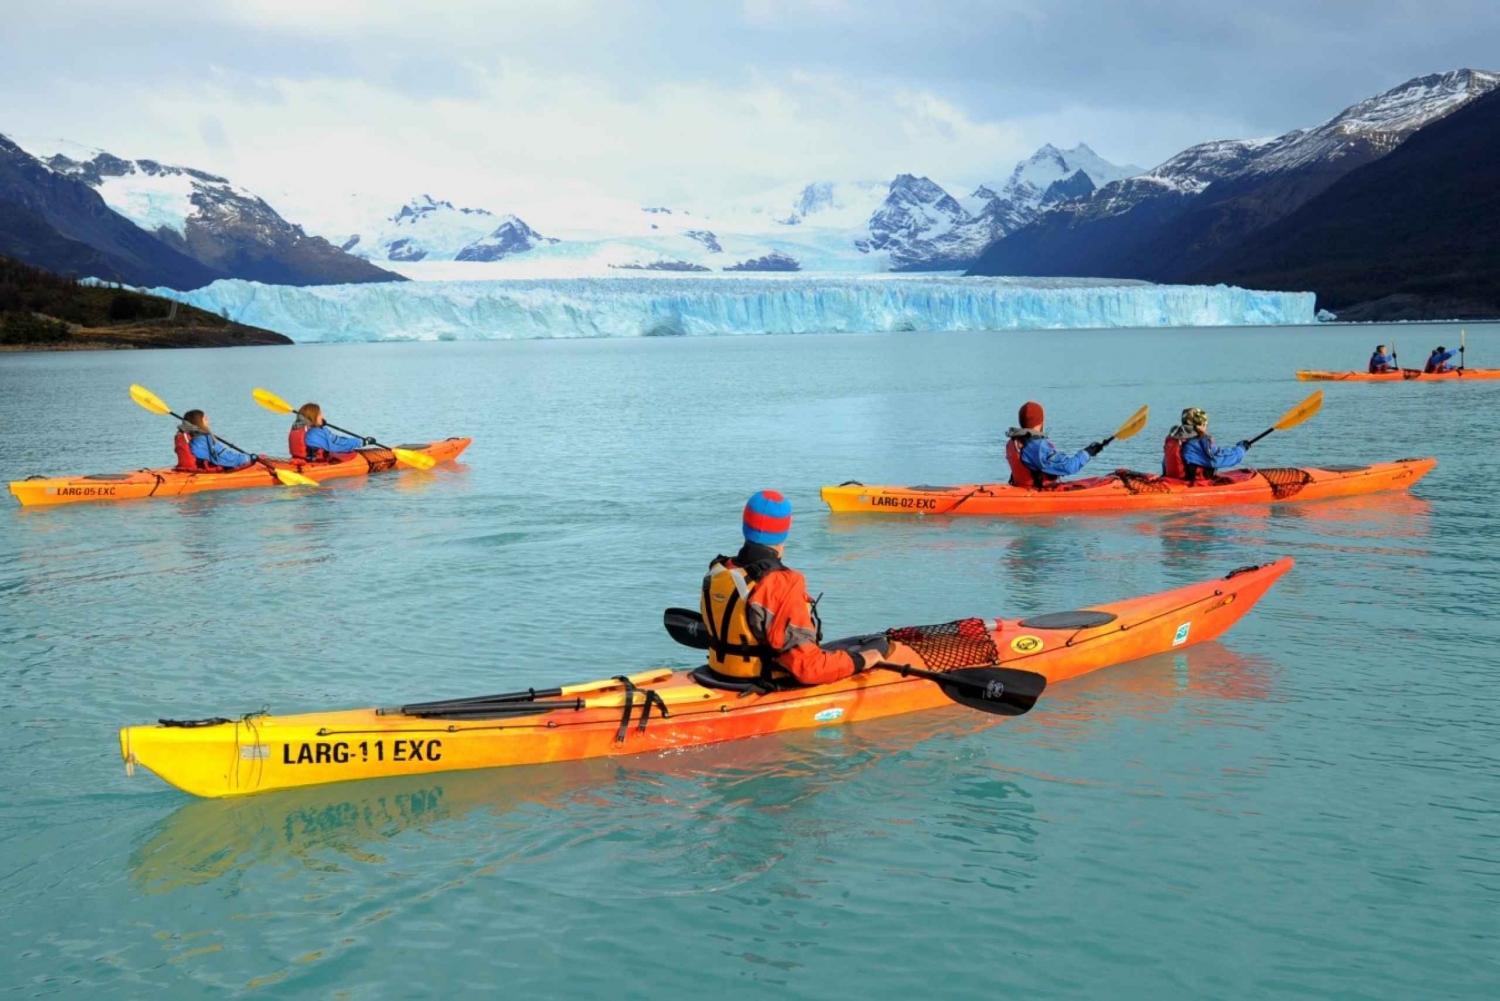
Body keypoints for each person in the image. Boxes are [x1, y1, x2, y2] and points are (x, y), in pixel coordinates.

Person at [699, 490, 888, 688]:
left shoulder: (718, 571)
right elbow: (808, 669)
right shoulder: (780, 584)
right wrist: (861, 660)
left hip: (718, 676)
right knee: (879, 646)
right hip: (762, 685)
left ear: (745, 525)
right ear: (785, 530)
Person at [1005, 401, 1105, 489]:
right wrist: (1087, 453)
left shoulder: (1013, 441)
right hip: (1039, 492)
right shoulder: (1038, 447)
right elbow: (1068, 467)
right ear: (1041, 421)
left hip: (1021, 488)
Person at [1163, 408, 1250, 482]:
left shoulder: (1174, 438)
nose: (1206, 427)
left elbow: (1165, 464)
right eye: (1205, 424)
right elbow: (1217, 459)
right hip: (1193, 484)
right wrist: (1241, 449)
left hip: (1173, 481)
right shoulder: (1198, 441)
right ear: (1200, 425)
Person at [173, 410, 259, 473]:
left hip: (196, 464)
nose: (208, 420)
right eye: (205, 419)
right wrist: (247, 458)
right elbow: (220, 457)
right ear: (199, 421)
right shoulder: (202, 437)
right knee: (250, 458)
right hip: (206, 465)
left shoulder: (188, 434)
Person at [289, 403, 369, 463]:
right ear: (313, 416)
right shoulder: (314, 432)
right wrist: (362, 442)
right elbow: (336, 447)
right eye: (320, 414)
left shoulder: (298, 428)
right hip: (316, 463)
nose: (322, 416)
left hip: (300, 460)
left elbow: (336, 440)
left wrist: (322, 427)